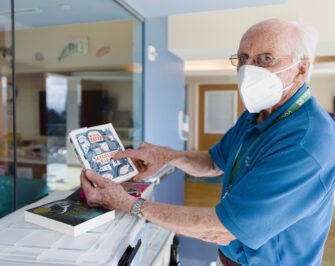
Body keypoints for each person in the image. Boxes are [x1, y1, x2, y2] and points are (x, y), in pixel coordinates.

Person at [80, 19, 335, 266]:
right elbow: (215, 162)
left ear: (302, 69)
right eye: (243, 59)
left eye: (265, 59)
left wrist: (126, 203)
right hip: (228, 257)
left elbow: (222, 229)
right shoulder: (256, 115)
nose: (248, 69)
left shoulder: (308, 142)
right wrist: (168, 156)